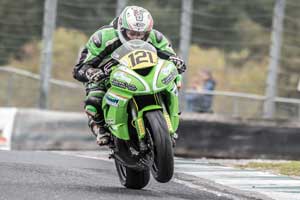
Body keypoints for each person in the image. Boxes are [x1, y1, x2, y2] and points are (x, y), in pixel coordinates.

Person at [73, 6, 186, 146]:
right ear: (122, 29)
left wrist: (177, 62)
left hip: (143, 73)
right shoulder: (103, 37)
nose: (137, 37)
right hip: (106, 76)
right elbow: (80, 68)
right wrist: (91, 72)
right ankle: (101, 127)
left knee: (174, 79)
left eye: (142, 34)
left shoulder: (155, 37)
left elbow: (171, 56)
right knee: (94, 100)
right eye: (132, 33)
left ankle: (168, 123)